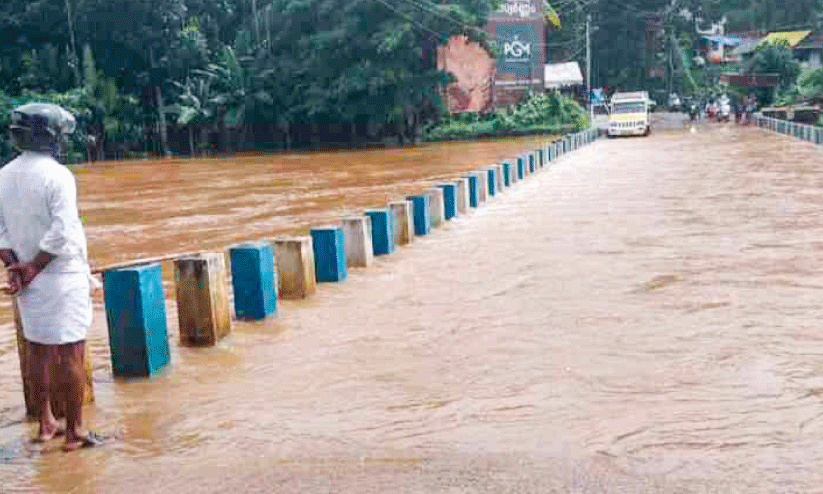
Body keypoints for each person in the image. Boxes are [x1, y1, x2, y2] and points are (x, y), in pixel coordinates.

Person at [0, 103, 103, 451]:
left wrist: (16, 266)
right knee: (72, 351)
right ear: (51, 137)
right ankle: (74, 431)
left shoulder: (3, 175)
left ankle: (46, 423)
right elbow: (63, 232)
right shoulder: (58, 176)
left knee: (39, 352)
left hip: (28, 281)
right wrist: (33, 267)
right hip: (59, 275)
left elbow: (0, 233)